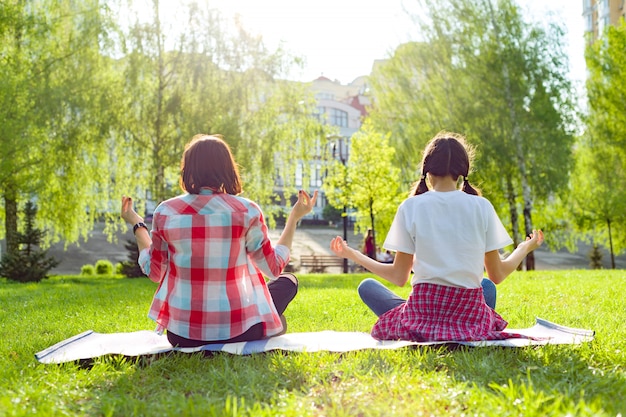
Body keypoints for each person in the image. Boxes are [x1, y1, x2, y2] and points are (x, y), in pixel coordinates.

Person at [329, 131, 544, 342]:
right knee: (487, 285)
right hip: (468, 317)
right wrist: (523, 248)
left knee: (367, 286)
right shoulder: (481, 206)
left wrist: (354, 255)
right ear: (462, 171)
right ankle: (449, 326)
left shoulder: (410, 206)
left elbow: (398, 276)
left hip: (422, 314)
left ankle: (422, 322)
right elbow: (497, 274)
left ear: (427, 170)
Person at [121, 134, 318, 348]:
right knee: (288, 281)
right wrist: (293, 218)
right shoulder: (246, 210)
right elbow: (273, 268)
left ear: (188, 169)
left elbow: (155, 272)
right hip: (241, 330)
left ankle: (273, 324)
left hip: (182, 335)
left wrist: (137, 224)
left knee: (280, 290)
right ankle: (273, 325)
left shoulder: (166, 211)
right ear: (228, 168)